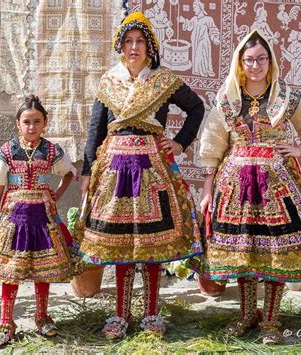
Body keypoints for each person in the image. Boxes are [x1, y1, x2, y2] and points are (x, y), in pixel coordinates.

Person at [189, 30, 301, 345]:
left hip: (278, 185)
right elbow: (213, 142)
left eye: (261, 59)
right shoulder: (228, 97)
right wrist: (207, 187)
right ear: (240, 63)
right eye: (249, 60)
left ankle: (271, 318)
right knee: (243, 250)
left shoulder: (286, 95)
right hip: (236, 186)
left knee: (277, 250)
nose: (256, 65)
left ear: (270, 61)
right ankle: (247, 313)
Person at [79, 12, 205, 340]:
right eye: (128, 41)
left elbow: (197, 108)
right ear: (119, 46)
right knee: (120, 243)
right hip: (115, 170)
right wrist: (86, 170)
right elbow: (95, 128)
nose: (134, 47)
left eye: (140, 41)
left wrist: (179, 143)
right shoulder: (109, 81)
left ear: (150, 48)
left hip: (153, 169)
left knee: (153, 242)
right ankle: (121, 313)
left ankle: (150, 314)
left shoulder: (163, 80)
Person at [0, 95, 83, 347]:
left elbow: (69, 173)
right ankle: (5, 321)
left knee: (41, 268)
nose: (31, 127)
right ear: (18, 124)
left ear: (45, 123)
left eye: (37, 121)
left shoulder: (52, 150)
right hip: (14, 217)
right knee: (11, 270)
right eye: (26, 122)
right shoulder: (7, 151)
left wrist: (57, 193)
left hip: (43, 217)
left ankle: (42, 316)